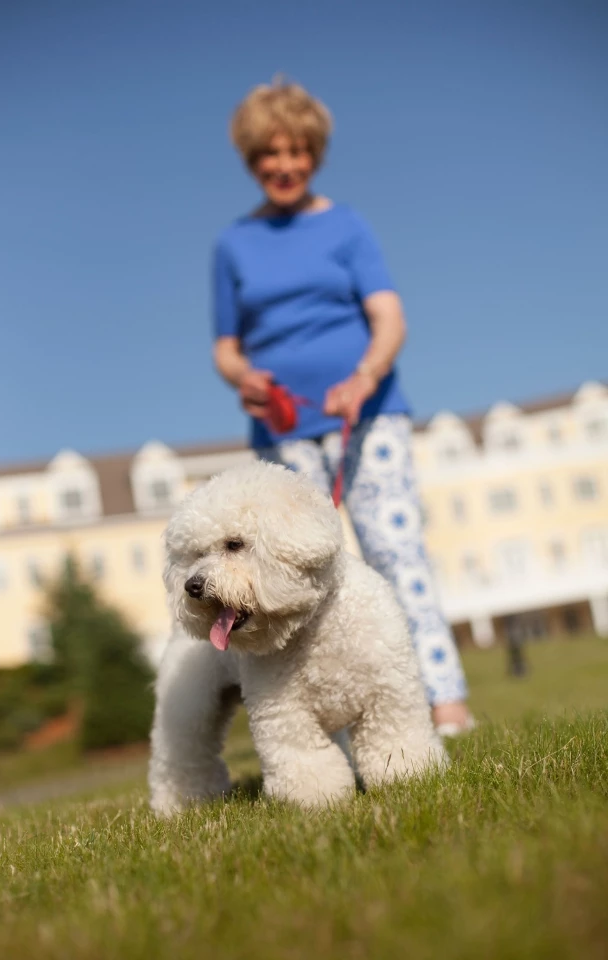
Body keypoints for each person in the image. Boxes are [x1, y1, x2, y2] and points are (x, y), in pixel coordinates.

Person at [212, 79, 474, 735]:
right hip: (283, 427)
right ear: (251, 159)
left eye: (297, 151)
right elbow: (225, 347)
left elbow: (388, 316)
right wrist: (244, 378)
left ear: (316, 154)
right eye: (269, 153)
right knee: (298, 572)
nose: (284, 165)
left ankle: (444, 700)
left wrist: (366, 375)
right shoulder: (233, 246)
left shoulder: (347, 226)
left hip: (370, 412)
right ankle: (320, 720)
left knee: (394, 550)